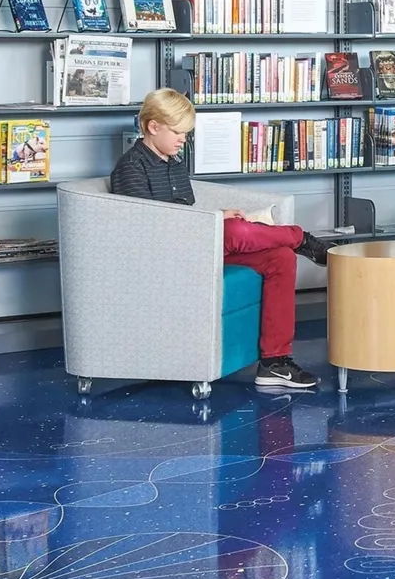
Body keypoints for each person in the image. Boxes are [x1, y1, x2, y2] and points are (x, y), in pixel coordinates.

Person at [110, 88, 327, 391]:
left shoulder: (174, 161)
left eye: (186, 133)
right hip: (167, 252)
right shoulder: (131, 167)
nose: (183, 139)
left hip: (194, 241)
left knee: (280, 257)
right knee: (235, 231)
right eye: (177, 132)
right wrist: (212, 222)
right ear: (153, 126)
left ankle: (274, 362)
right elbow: (148, 225)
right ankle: (301, 238)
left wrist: (216, 215)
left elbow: (184, 209)